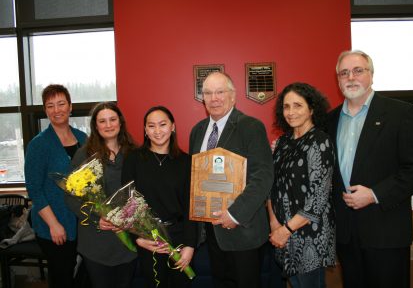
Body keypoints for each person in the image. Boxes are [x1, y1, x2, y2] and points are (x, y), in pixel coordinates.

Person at [327, 50, 413, 288]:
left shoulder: (400, 113)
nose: (351, 77)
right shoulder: (330, 120)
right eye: (344, 73)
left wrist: (375, 194)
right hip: (346, 232)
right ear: (338, 80)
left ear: (371, 75)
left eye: (358, 70)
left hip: (385, 228)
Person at [189, 71, 274, 288]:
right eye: (208, 93)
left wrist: (234, 215)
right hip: (211, 231)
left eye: (220, 92)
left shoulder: (251, 127)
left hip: (242, 229)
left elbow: (263, 177)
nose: (214, 98)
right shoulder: (197, 131)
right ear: (202, 98)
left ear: (233, 96)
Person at [267, 82, 335, 288]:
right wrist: (274, 224)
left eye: (298, 105)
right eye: (286, 107)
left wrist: (286, 229)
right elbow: (272, 185)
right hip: (281, 230)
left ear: (312, 109)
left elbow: (318, 198)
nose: (291, 112)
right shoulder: (281, 143)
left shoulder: (320, 141)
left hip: (308, 234)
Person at [122, 106, 197, 288]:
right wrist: (138, 239)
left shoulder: (187, 162)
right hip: (149, 239)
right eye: (151, 126)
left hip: (180, 237)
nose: (157, 131)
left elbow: (191, 206)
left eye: (162, 125)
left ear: (172, 127)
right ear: (145, 130)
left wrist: (190, 245)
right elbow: (126, 202)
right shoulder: (133, 159)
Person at [66, 102, 138, 288]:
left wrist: (133, 219)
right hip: (96, 241)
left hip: (127, 239)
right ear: (95, 126)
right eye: (102, 121)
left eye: (112, 119)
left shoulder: (135, 153)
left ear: (120, 122)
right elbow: (71, 197)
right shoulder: (84, 155)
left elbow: (144, 192)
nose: (108, 125)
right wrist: (95, 218)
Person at [25, 84, 87, 288]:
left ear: (70, 107)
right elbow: (34, 189)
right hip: (54, 226)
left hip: (81, 223)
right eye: (50, 105)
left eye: (61, 103)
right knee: (62, 278)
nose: (56, 109)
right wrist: (53, 224)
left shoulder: (82, 138)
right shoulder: (39, 144)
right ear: (45, 110)